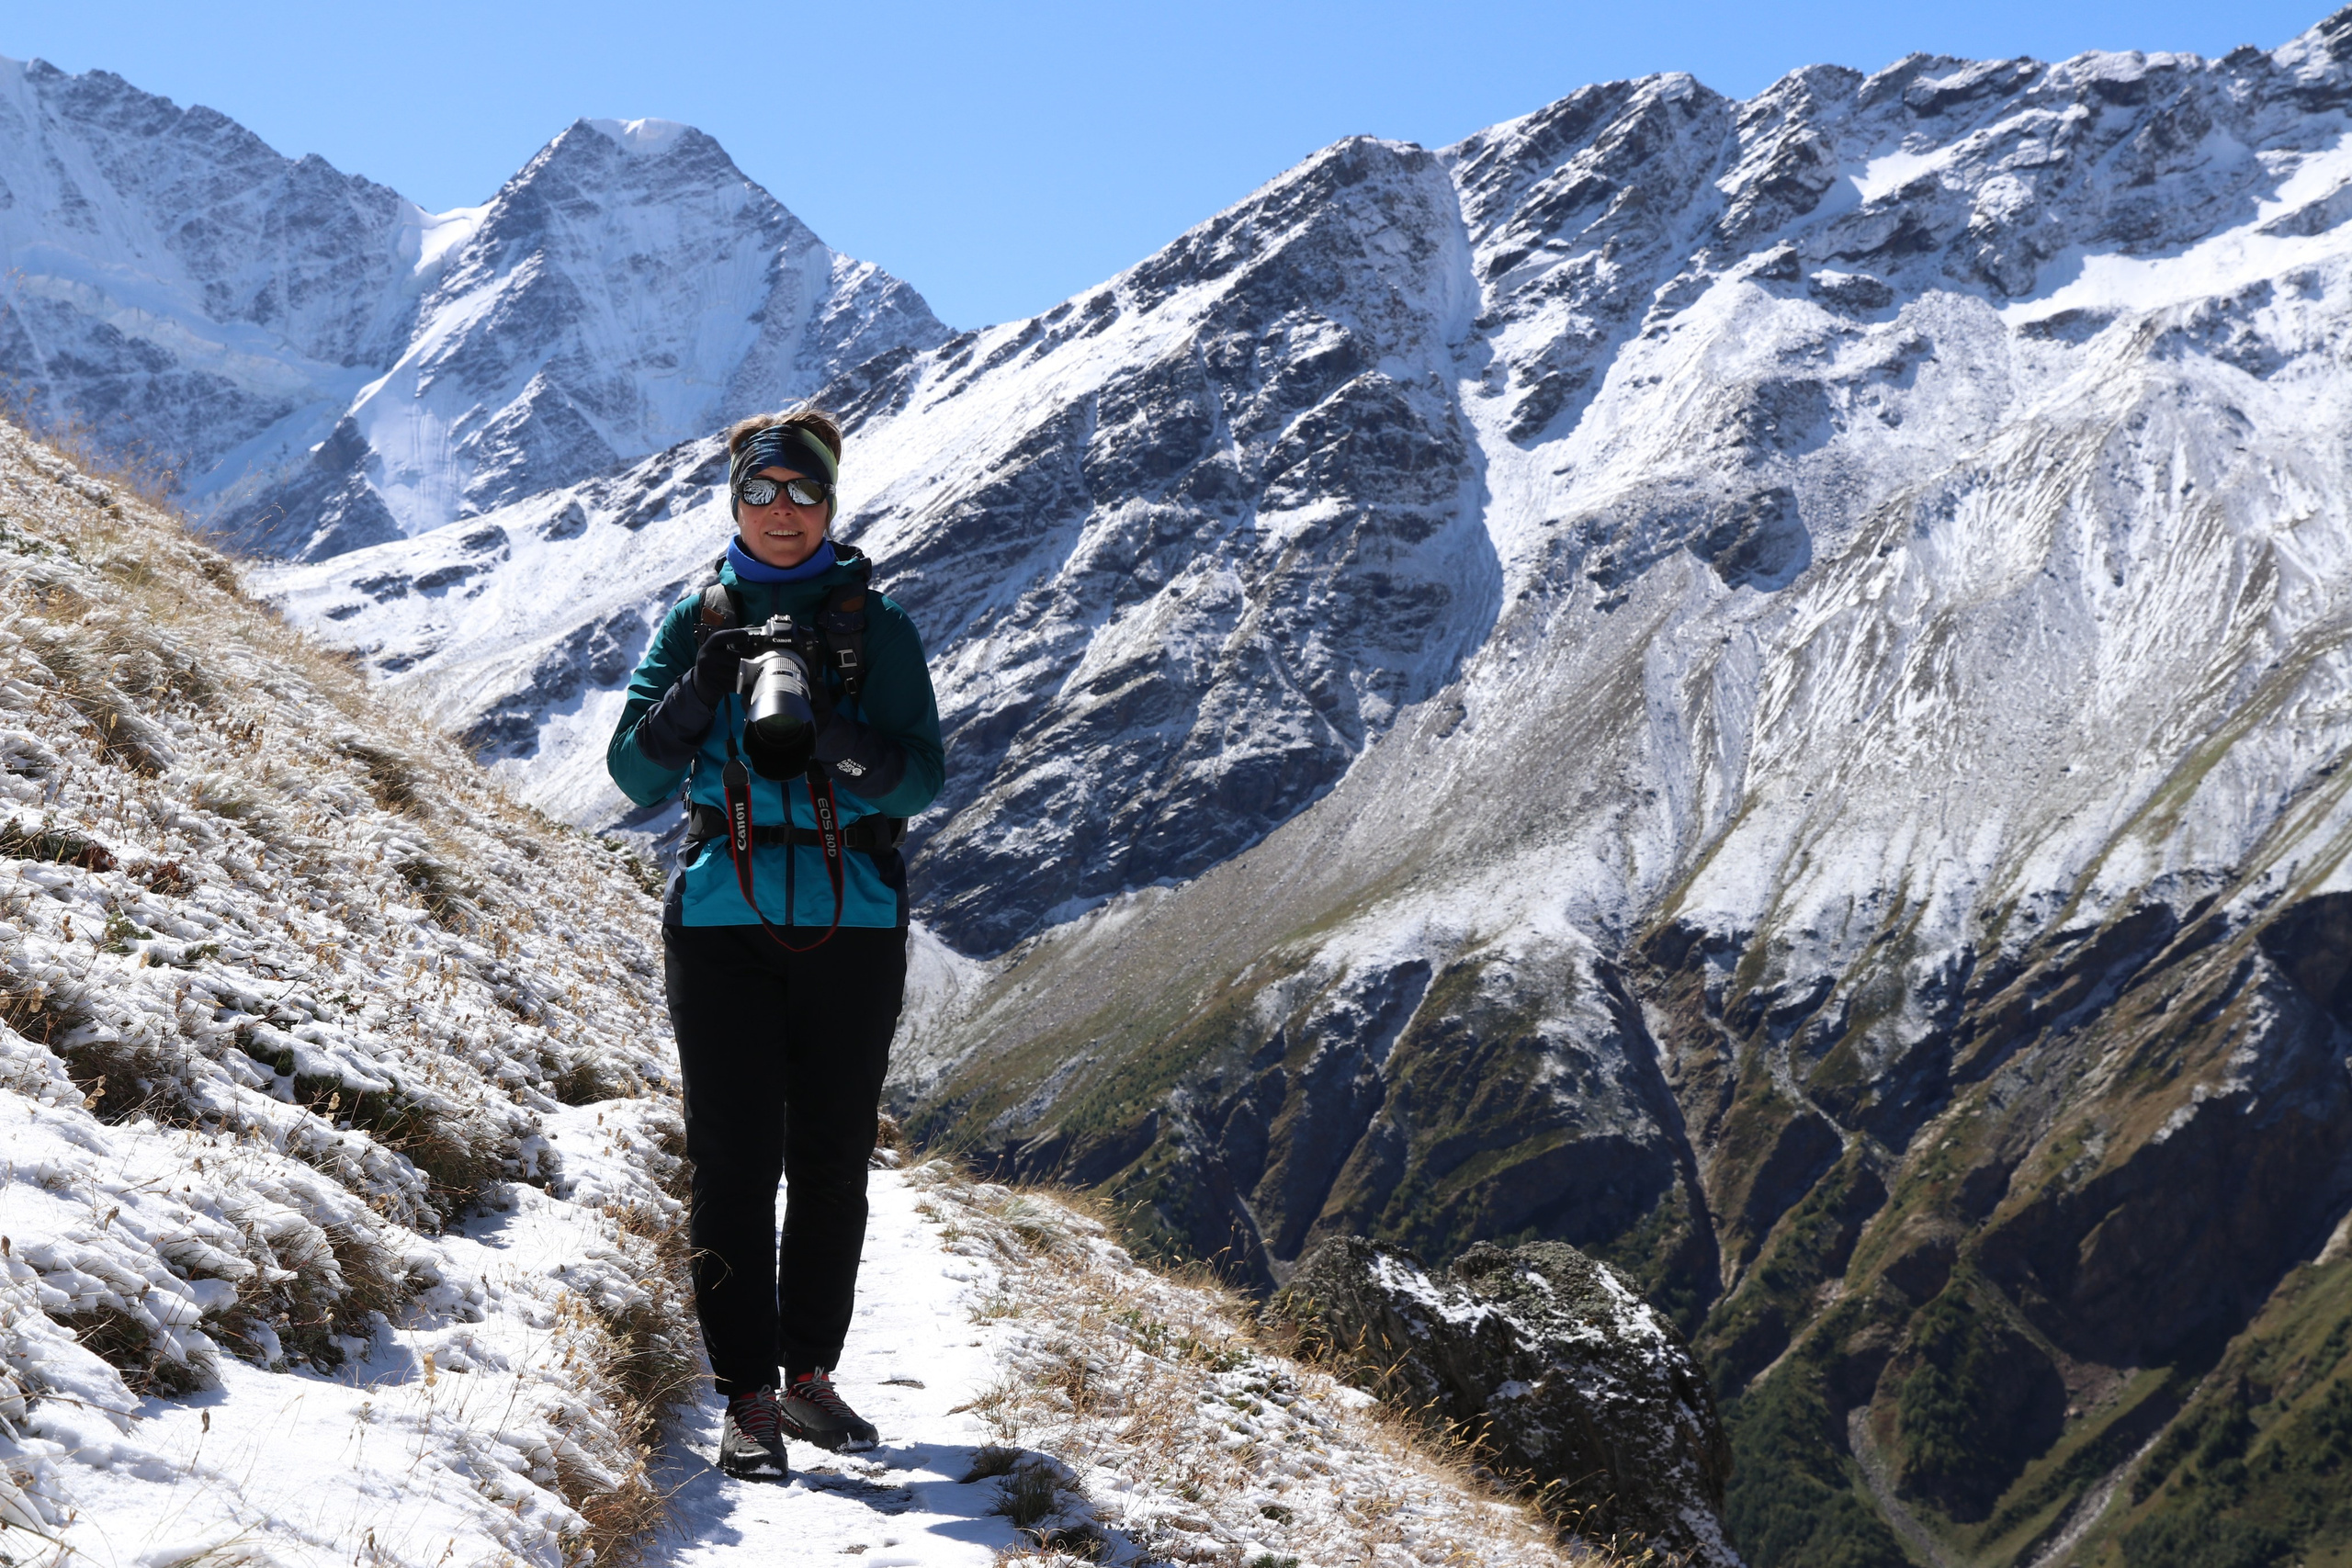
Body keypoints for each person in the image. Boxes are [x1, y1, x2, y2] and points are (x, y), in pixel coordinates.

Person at [606, 406, 944, 1482]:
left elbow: (923, 777)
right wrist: (706, 685)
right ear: (734, 500)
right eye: (761, 491)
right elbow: (634, 775)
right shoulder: (695, 617)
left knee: (834, 1160)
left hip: (852, 918)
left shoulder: (873, 628)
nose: (782, 511)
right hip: (721, 922)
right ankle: (744, 1396)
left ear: (832, 504)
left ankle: (806, 1378)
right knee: (734, 1163)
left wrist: (833, 733)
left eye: (802, 493)